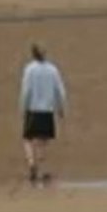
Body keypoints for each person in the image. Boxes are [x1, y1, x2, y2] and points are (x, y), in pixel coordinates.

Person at [19, 44, 67, 185]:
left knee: (28, 138)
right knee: (43, 140)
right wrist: (61, 107)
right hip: (47, 110)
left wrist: (23, 106)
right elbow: (60, 89)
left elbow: (26, 90)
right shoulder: (53, 69)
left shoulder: (29, 69)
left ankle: (31, 163)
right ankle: (39, 168)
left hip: (33, 109)